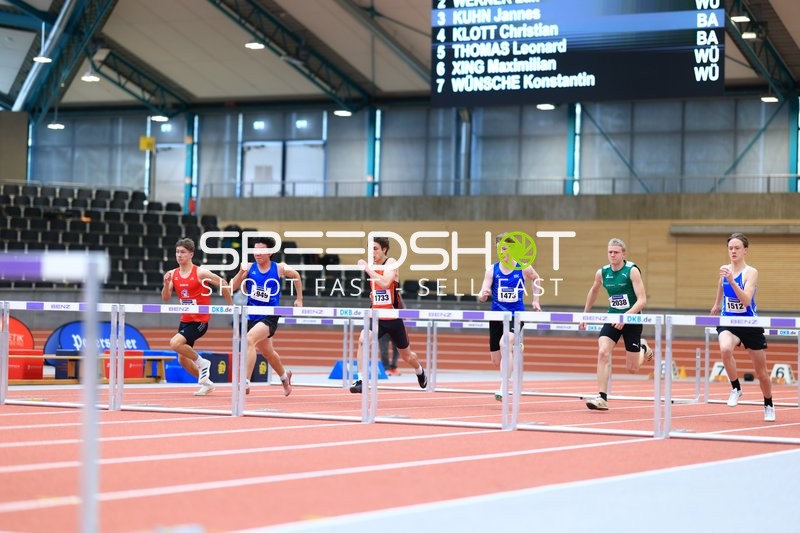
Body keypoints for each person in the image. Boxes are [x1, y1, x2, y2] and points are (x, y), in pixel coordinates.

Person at [580, 238, 653, 410]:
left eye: (616, 252)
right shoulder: (602, 273)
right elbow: (594, 291)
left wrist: (625, 317)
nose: (612, 255)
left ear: (623, 254)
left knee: (632, 368)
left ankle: (642, 347)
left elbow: (642, 300)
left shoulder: (632, 271)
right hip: (613, 318)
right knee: (603, 352)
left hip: (632, 319)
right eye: (610, 252)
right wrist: (585, 314)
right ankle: (602, 398)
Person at [710, 233, 774, 422]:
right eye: (730, 248)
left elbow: (746, 301)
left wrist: (732, 280)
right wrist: (716, 304)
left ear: (745, 250)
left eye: (737, 248)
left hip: (749, 324)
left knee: (761, 374)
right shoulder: (724, 270)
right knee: (725, 349)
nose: (733, 251)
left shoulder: (751, 272)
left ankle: (768, 403)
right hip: (729, 321)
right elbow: (721, 286)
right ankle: (736, 388)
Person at [350, 236, 427, 393]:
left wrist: (367, 269)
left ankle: (420, 371)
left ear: (384, 249)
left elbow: (385, 283)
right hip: (377, 317)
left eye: (375, 249)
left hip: (393, 318)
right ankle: (361, 380)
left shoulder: (391, 262)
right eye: (369, 249)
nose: (372, 253)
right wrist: (373, 296)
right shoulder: (372, 266)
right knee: (363, 340)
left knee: (407, 356)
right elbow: (378, 289)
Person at [230, 236, 302, 396]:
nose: (257, 253)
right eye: (255, 250)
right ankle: (284, 377)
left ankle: (245, 381)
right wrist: (241, 272)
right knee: (268, 352)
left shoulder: (279, 268)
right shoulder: (249, 268)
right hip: (252, 316)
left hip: (270, 315)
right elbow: (232, 287)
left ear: (270, 252)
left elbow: (296, 275)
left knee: (248, 340)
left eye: (261, 250)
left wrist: (299, 299)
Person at [162, 237, 233, 396]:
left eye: (183, 252)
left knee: (174, 343)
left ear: (191, 254)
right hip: (185, 321)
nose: (179, 255)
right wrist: (166, 284)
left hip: (200, 321)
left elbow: (223, 283)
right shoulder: (172, 274)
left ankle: (202, 362)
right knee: (182, 360)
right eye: (177, 252)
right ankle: (207, 384)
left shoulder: (200, 273)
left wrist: (230, 305)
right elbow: (165, 297)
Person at [478, 232, 542, 400]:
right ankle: (515, 346)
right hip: (497, 316)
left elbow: (536, 279)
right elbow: (482, 293)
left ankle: (503, 386)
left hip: (516, 315)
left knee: (504, 343)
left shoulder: (523, 267)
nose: (503, 252)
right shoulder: (492, 270)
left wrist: (536, 300)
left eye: (506, 248)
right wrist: (483, 295)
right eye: (500, 249)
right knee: (496, 360)